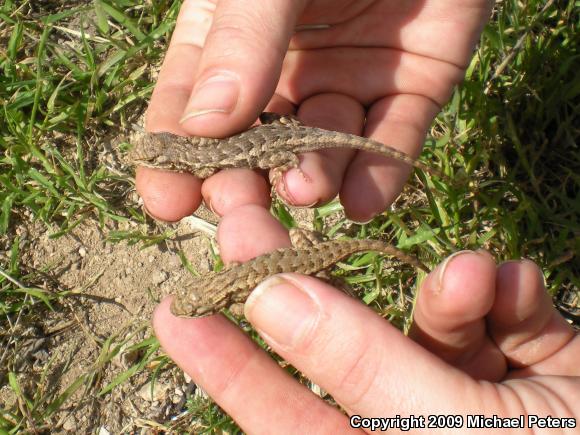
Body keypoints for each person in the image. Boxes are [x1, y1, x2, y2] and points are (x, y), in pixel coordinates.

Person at [138, 1, 580, 432]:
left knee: (296, 190)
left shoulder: (206, 185)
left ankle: (307, 182)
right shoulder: (225, 263)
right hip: (282, 159)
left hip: (278, 150)